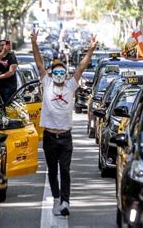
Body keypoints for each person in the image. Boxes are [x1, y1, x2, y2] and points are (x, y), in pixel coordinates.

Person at [31, 30, 98, 217]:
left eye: (63, 72)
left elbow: (82, 68)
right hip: (50, 137)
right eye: (56, 71)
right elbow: (38, 63)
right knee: (52, 171)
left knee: (65, 170)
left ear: (66, 74)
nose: (60, 74)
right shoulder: (47, 82)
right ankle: (55, 199)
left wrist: (91, 50)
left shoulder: (70, 85)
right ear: (52, 74)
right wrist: (34, 44)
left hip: (66, 137)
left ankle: (66, 202)